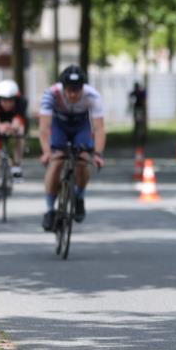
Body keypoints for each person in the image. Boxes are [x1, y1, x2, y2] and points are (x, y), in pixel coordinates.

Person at [38, 65, 106, 230]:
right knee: (56, 162)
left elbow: (99, 128)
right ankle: (50, 210)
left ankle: (79, 196)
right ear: (63, 87)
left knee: (82, 160)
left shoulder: (93, 96)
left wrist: (97, 154)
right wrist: (46, 152)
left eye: (77, 90)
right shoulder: (51, 94)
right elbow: (44, 128)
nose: (73, 94)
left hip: (81, 126)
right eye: (69, 90)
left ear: (83, 87)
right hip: (59, 126)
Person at [0, 79, 28, 208]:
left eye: (10, 101)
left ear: (15, 99)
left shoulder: (22, 101)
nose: (8, 104)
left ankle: (16, 165)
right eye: (4, 101)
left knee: (20, 134)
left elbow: (18, 121)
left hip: (13, 122)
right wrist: (0, 127)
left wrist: (12, 128)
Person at [129, 81, 147, 145]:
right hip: (139, 109)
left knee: (138, 124)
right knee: (139, 124)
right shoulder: (140, 92)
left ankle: (139, 137)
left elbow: (130, 94)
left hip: (138, 109)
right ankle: (139, 137)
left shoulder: (137, 92)